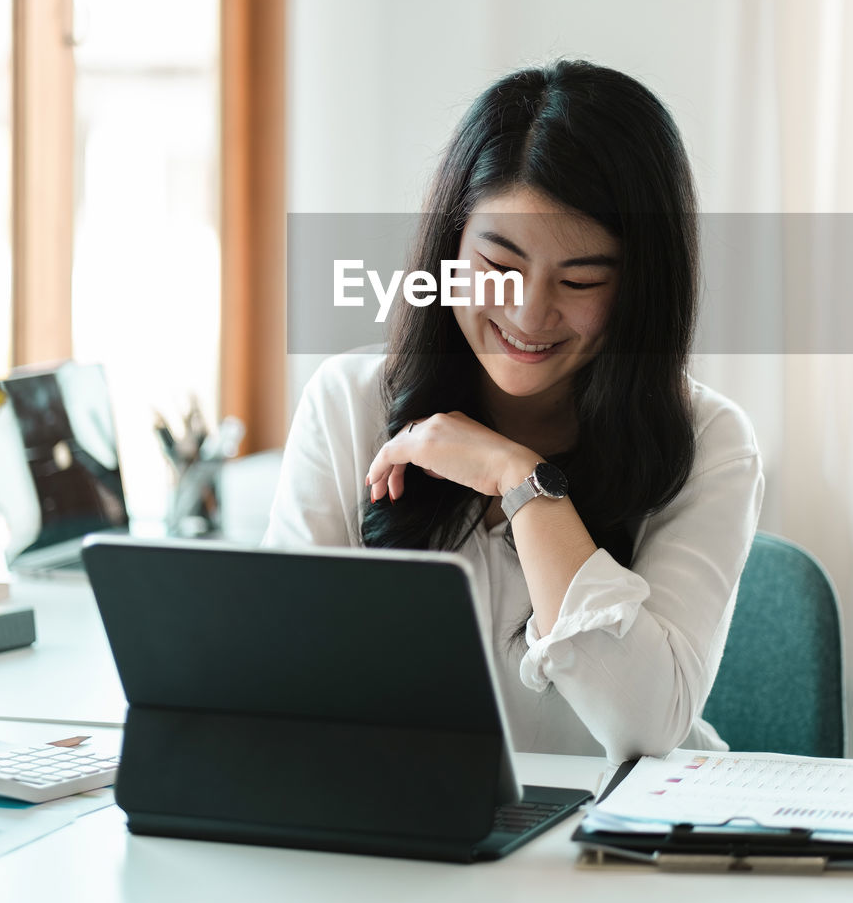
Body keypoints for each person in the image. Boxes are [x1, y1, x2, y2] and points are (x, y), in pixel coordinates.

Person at [264, 60, 763, 763]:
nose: (528, 314)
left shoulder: (709, 441)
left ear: (640, 290)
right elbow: (281, 680)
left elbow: (644, 725)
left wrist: (521, 483)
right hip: (412, 840)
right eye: (498, 265)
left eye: (580, 279)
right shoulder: (349, 404)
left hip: (623, 847)